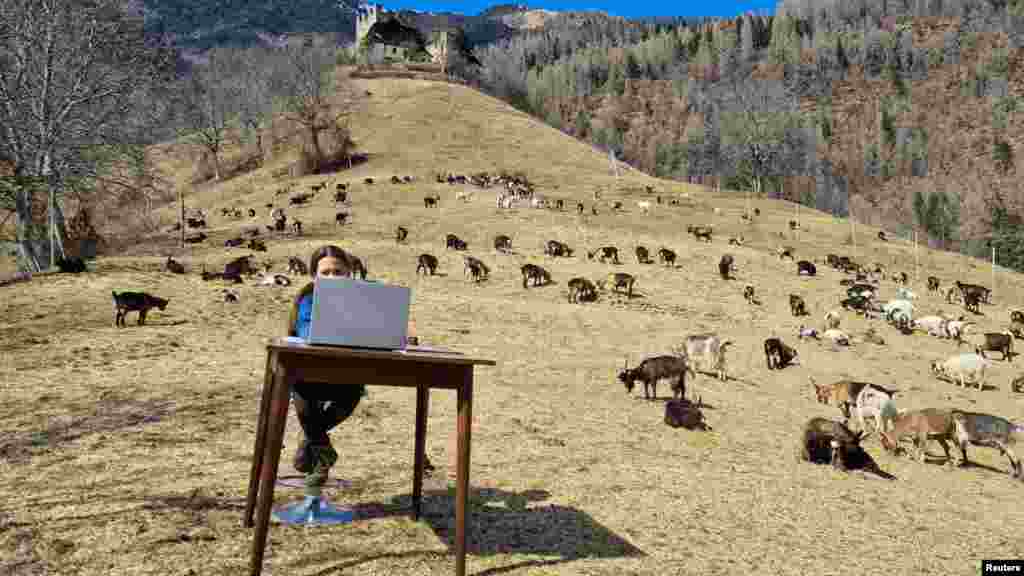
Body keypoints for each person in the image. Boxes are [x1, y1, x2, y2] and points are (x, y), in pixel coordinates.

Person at [287, 245, 425, 496]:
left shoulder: (368, 298)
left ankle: (311, 441)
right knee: (304, 403)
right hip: (308, 374)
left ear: (349, 273)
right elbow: (306, 330)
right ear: (314, 275)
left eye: (338, 272)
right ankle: (323, 452)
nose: (332, 278)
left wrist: (400, 334)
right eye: (325, 273)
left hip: (348, 377)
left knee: (348, 398)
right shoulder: (308, 299)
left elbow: (387, 324)